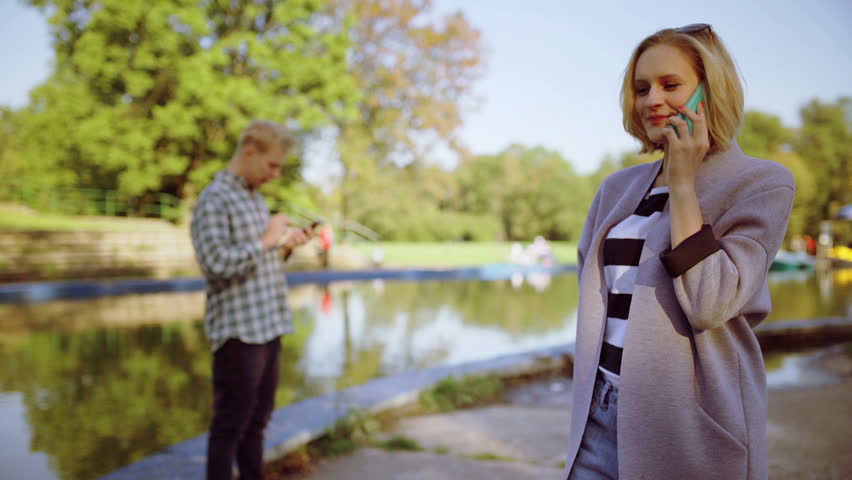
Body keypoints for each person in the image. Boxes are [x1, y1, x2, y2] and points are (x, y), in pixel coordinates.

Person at [564, 24, 795, 479]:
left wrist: (684, 184)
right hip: (595, 419)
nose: (652, 99)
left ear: (711, 92)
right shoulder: (616, 188)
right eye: (642, 87)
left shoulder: (762, 183)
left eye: (671, 85)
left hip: (690, 429)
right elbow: (594, 300)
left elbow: (711, 303)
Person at [190, 120, 313, 480]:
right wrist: (266, 241)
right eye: (272, 165)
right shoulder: (214, 199)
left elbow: (261, 261)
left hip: (269, 325)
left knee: (257, 424)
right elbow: (214, 265)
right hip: (238, 333)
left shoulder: (254, 198)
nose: (275, 174)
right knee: (230, 426)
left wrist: (285, 246)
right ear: (249, 152)